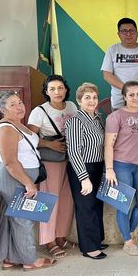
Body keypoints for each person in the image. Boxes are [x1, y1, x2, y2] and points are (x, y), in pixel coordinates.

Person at [0, 92, 57, 271]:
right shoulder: (6, 129)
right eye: (13, 104)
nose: (19, 107)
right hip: (14, 177)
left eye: (20, 102)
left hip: (19, 176)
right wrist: (28, 183)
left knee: (13, 217)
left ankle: (10, 258)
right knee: (23, 218)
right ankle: (30, 260)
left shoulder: (17, 124)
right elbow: (10, 162)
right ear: (2, 109)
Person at [27, 75, 77, 260]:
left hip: (69, 159)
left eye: (60, 88)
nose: (57, 92)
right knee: (48, 200)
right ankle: (49, 241)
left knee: (67, 200)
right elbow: (30, 138)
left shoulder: (71, 106)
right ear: (46, 92)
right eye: (52, 89)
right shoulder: (39, 111)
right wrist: (49, 144)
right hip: (50, 161)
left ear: (66, 90)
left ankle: (61, 237)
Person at [104, 81, 138, 256]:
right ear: (124, 97)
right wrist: (110, 169)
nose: (135, 98)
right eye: (131, 95)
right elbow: (108, 145)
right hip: (121, 165)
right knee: (124, 205)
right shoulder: (115, 117)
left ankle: (129, 231)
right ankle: (128, 241)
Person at [65, 83, 107, 260]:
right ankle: (89, 247)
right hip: (82, 168)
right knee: (85, 206)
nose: (92, 100)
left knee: (96, 205)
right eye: (87, 97)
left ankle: (96, 239)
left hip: (97, 166)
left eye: (94, 97)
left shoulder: (98, 119)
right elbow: (74, 151)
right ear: (79, 100)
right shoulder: (75, 121)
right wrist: (83, 178)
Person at [101, 17, 138, 110]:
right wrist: (126, 89)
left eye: (131, 31)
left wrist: (136, 90)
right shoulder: (112, 50)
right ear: (118, 34)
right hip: (119, 102)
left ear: (137, 33)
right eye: (124, 31)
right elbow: (107, 74)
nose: (128, 34)